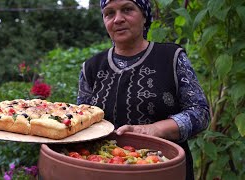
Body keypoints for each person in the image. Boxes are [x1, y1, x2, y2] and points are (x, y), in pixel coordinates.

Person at [77, 0, 210, 179]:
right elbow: (82, 121)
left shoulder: (171, 58)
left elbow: (200, 113)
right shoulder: (91, 68)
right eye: (109, 13)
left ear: (144, 16)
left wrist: (155, 129)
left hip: (163, 170)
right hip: (105, 170)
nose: (118, 19)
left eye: (127, 9)